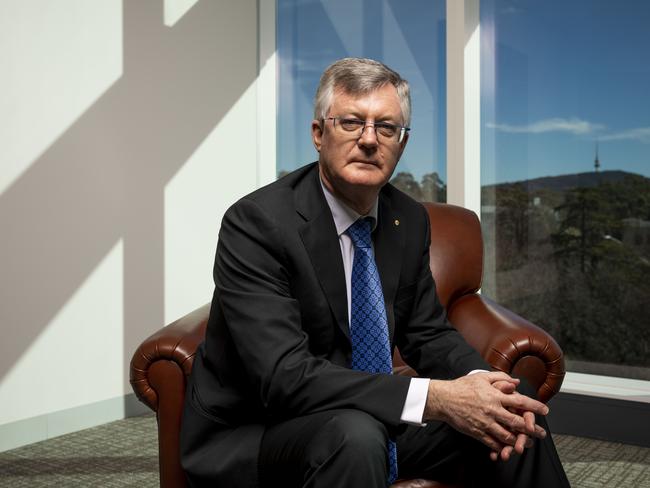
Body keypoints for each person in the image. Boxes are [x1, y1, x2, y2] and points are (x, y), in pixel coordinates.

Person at [180, 57, 570, 487]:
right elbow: (282, 377)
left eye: (386, 128)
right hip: (261, 429)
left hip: (367, 413)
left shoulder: (409, 219)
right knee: (354, 434)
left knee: (514, 408)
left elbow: (428, 333)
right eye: (351, 122)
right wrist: (436, 398)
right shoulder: (257, 223)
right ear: (318, 134)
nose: (369, 140)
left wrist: (483, 386)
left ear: (401, 145)